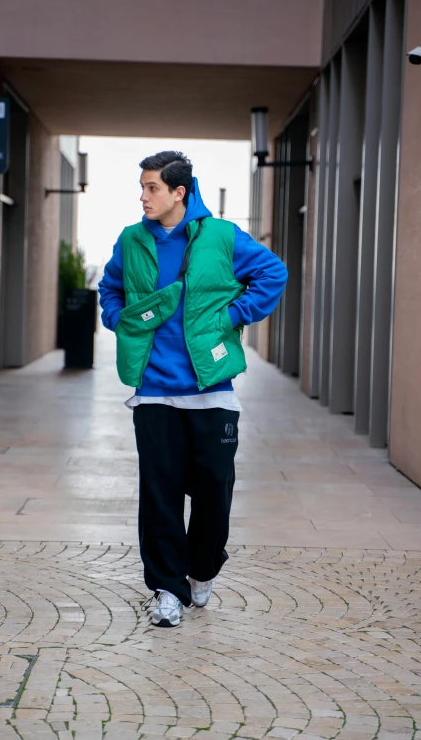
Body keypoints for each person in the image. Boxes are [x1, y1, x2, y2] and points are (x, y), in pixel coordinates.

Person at [99, 151, 288, 628]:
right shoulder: (132, 239)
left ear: (179, 192)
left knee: (213, 492)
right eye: (142, 188)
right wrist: (119, 321)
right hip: (155, 391)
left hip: (211, 391)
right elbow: (111, 288)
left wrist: (232, 317)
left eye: (152, 188)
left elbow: (273, 273)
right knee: (159, 495)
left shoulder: (221, 237)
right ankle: (167, 589)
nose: (143, 197)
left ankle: (202, 570)